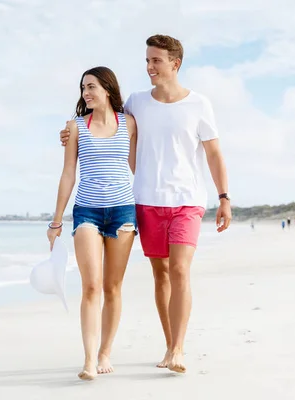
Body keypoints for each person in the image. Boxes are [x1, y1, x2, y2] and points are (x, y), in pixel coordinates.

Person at [59, 34, 232, 374]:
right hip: (146, 200)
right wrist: (70, 133)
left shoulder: (199, 104)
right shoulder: (136, 103)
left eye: (156, 60)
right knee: (161, 274)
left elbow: (213, 153)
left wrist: (224, 197)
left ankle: (179, 349)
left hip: (187, 200)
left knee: (180, 269)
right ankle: (169, 345)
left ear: (174, 64)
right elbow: (104, 122)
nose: (149, 67)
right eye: (147, 61)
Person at [47, 66, 138, 381]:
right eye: (83, 88)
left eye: (91, 86)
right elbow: (68, 173)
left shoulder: (130, 124)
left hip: (124, 212)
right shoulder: (74, 127)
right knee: (91, 286)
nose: (85, 93)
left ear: (108, 89)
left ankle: (105, 352)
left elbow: (139, 166)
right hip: (87, 212)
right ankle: (88, 360)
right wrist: (56, 221)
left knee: (113, 287)